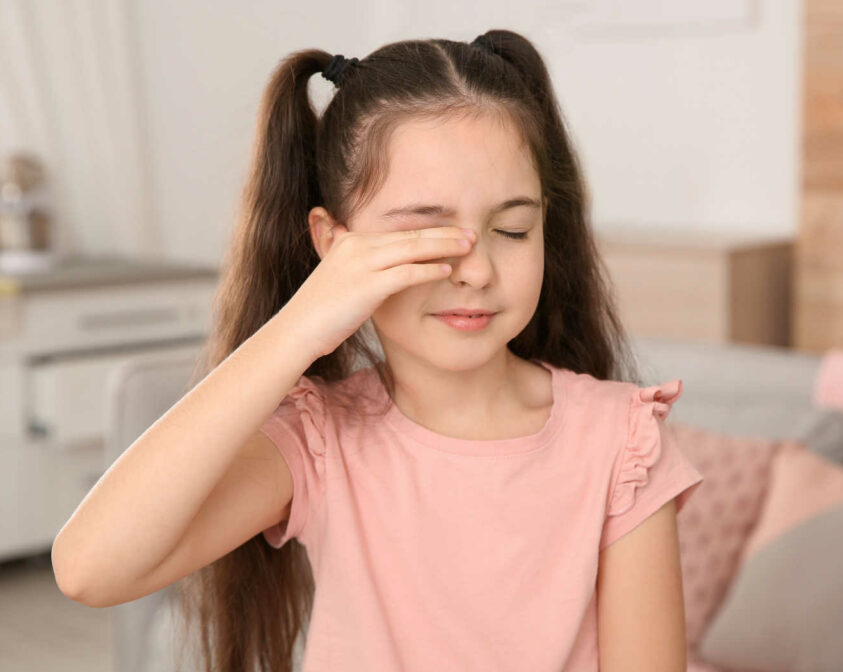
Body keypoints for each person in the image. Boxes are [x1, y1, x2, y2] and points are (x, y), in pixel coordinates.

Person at [51, 29, 704, 672]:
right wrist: (299, 324)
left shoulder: (622, 442)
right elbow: (89, 568)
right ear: (333, 246)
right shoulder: (320, 441)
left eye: (512, 228)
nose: (474, 270)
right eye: (426, 235)